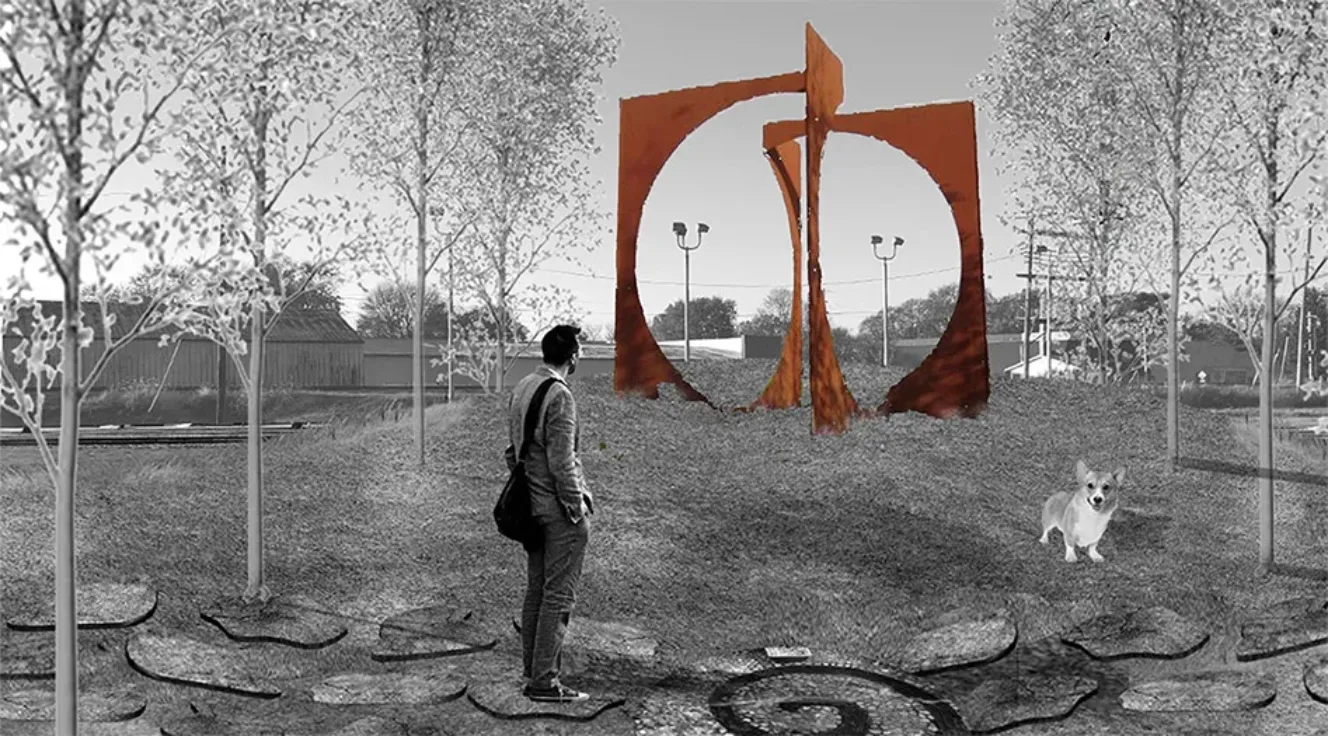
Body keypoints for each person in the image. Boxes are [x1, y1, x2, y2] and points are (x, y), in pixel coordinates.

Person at [504, 324, 595, 703]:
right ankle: (544, 682)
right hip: (557, 512)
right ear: (572, 355)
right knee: (558, 597)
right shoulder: (560, 395)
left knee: (537, 591)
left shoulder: (523, 386)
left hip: (530, 508)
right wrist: (577, 511)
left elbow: (513, 451)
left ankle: (533, 671)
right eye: (580, 350)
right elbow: (562, 463)